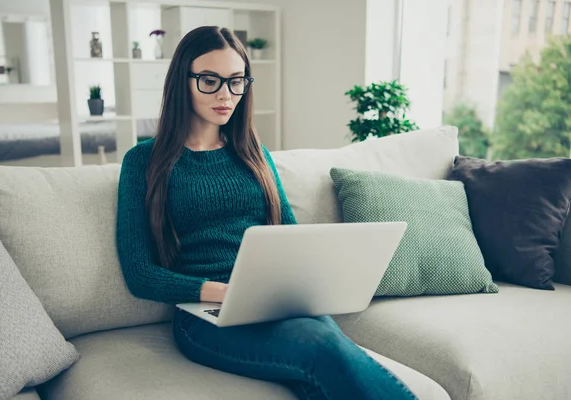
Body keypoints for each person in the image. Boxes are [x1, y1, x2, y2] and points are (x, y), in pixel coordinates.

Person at [115, 25, 417, 400]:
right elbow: (139, 274)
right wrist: (221, 292)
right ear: (182, 80)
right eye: (210, 80)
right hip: (203, 316)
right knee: (323, 348)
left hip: (273, 300)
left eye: (237, 81)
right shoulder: (143, 160)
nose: (226, 95)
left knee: (322, 364)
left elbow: (289, 234)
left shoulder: (252, 150)